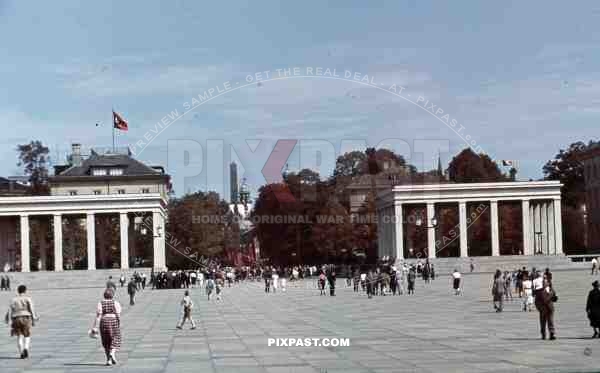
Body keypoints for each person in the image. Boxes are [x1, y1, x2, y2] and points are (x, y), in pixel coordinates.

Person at [4, 284, 39, 359]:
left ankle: (21, 352)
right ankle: (26, 348)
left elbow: (9, 310)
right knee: (27, 335)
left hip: (16, 318)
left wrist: (7, 319)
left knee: (19, 336)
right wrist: (34, 318)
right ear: (25, 291)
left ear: (18, 291)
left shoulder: (13, 299)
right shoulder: (28, 299)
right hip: (26, 317)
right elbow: (31, 309)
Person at [93, 289, 122, 366]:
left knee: (106, 341)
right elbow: (118, 315)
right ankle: (112, 352)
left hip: (104, 322)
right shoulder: (115, 303)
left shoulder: (100, 303)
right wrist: (118, 323)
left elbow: (98, 315)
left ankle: (108, 360)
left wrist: (94, 327)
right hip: (113, 321)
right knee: (116, 338)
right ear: (112, 295)